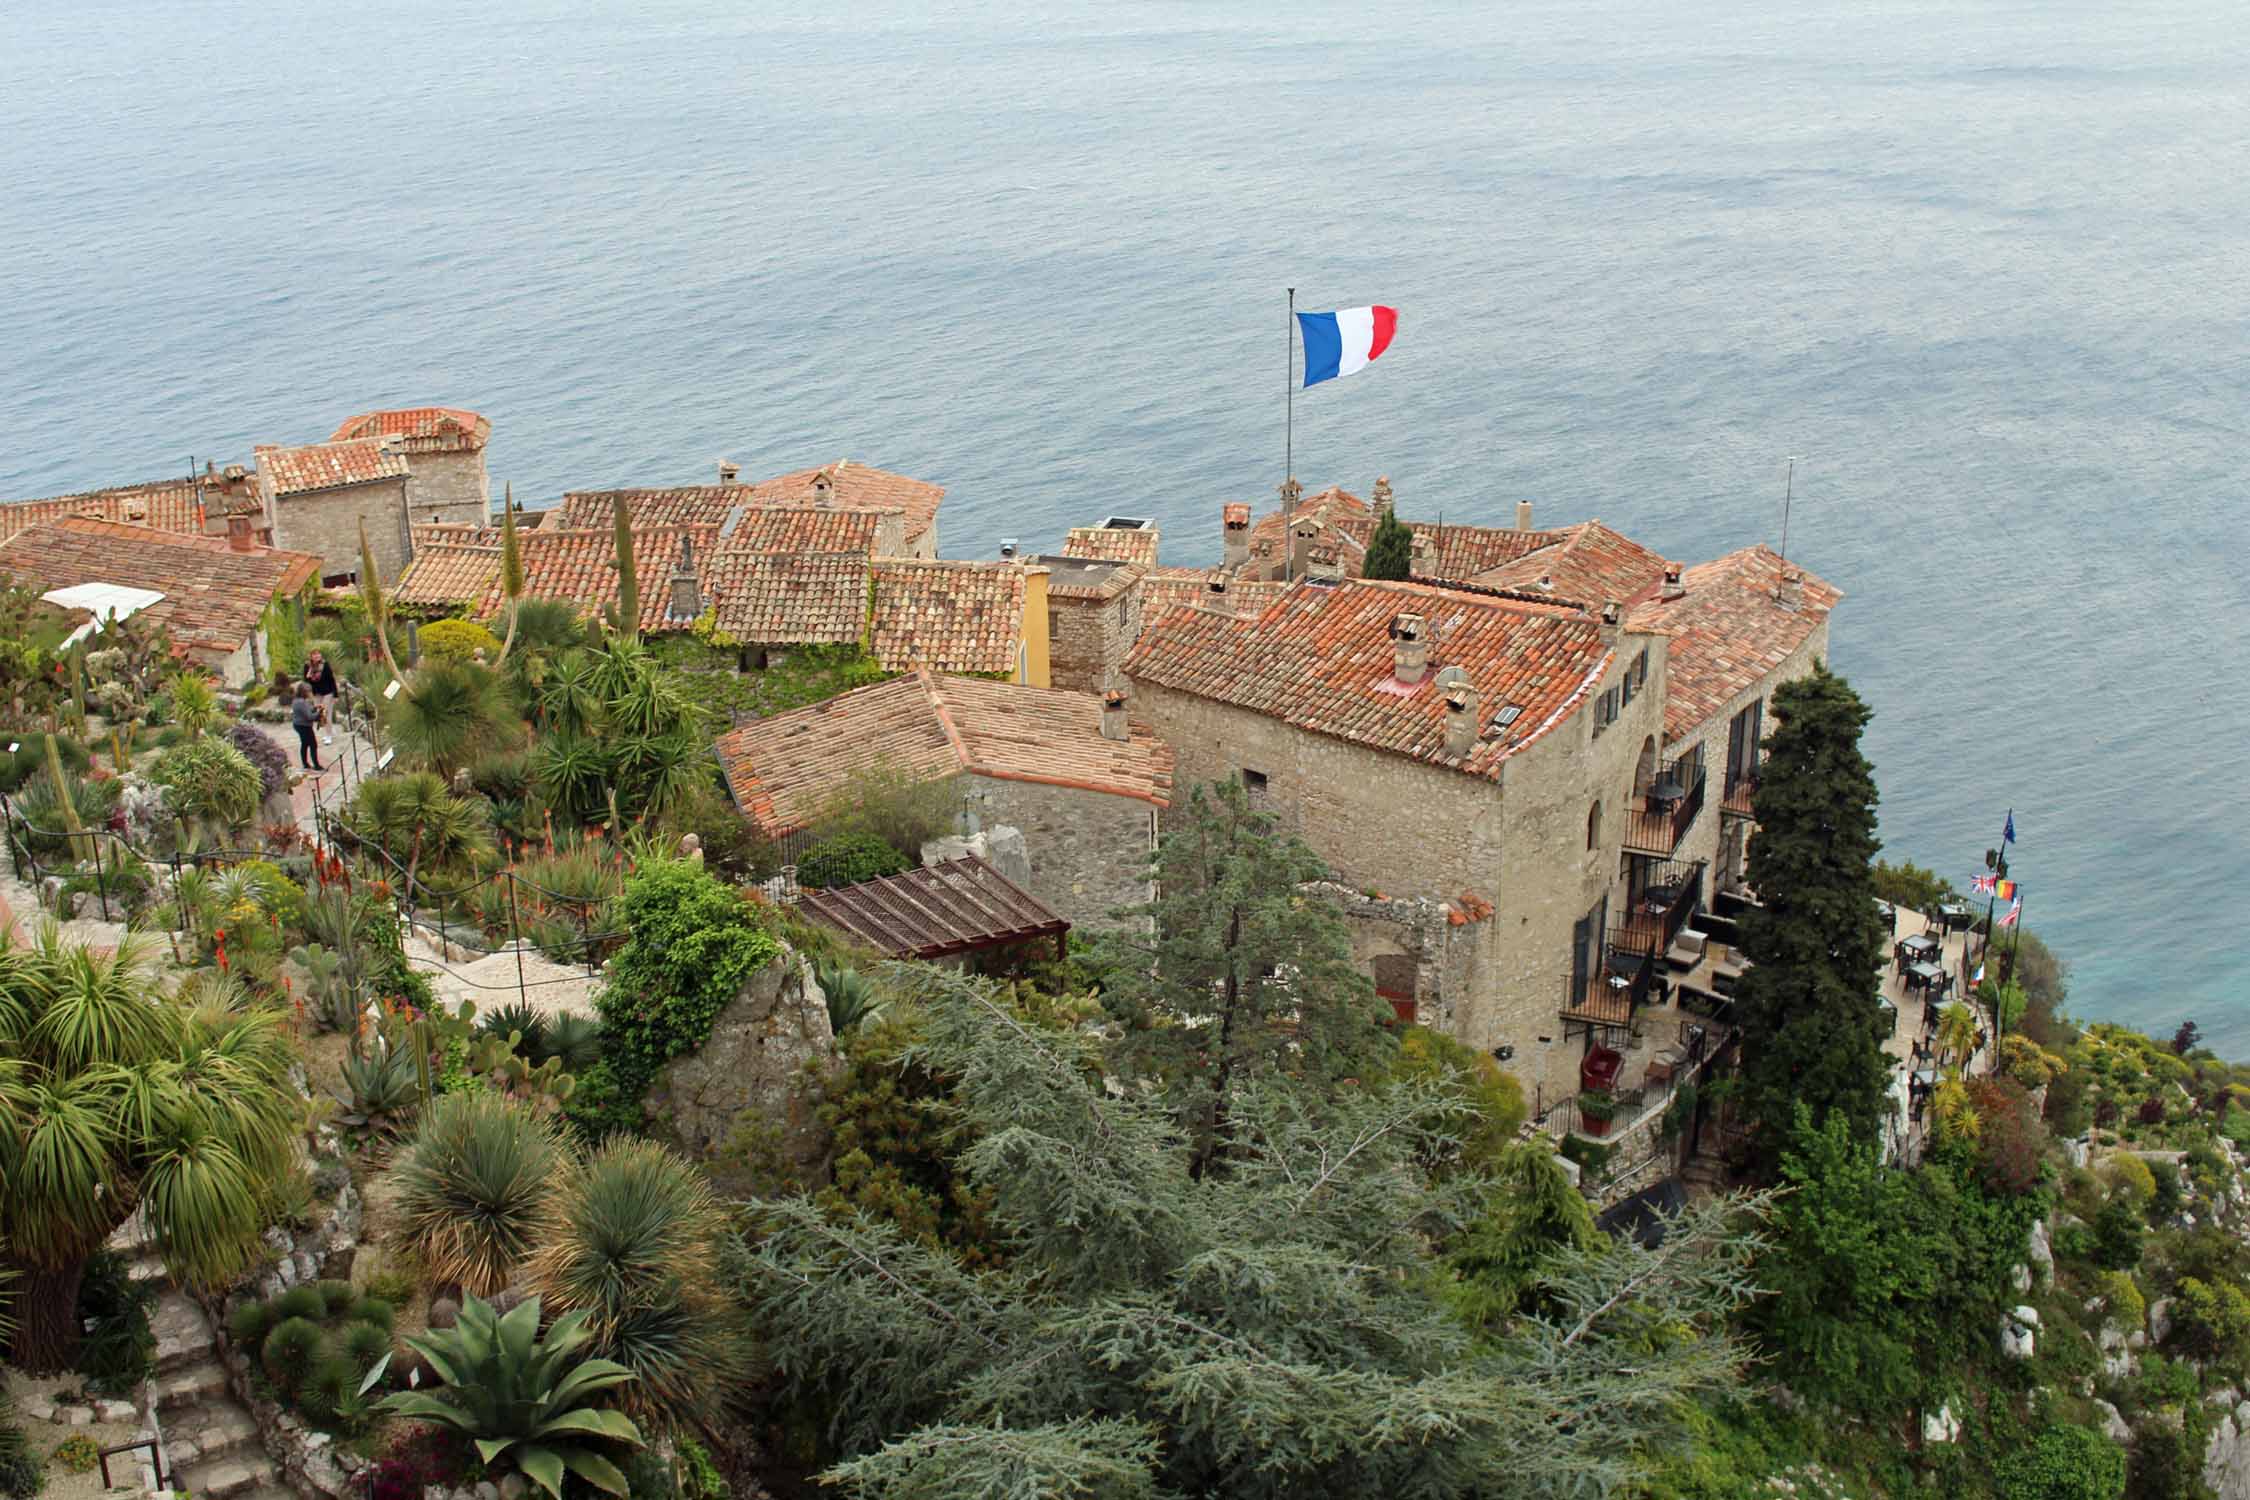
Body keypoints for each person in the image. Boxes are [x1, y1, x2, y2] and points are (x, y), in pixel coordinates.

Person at [303, 651, 340, 744]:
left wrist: (336, 695)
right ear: (311, 656)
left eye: (318, 654)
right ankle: (329, 730)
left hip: (328, 692)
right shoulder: (308, 666)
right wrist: (310, 670)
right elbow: (306, 680)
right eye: (315, 655)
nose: (317, 656)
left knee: (325, 713)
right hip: (317, 693)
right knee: (319, 714)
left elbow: (332, 679)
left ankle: (328, 735)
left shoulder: (325, 665)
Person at [290, 683, 324, 772]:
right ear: (303, 692)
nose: (310, 693)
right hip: (304, 726)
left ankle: (305, 764)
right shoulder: (301, 702)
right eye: (308, 691)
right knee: (313, 744)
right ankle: (316, 765)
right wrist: (319, 712)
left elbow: (307, 710)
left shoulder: (297, 700)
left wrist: (315, 707)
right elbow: (310, 717)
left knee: (304, 744)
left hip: (298, 725)